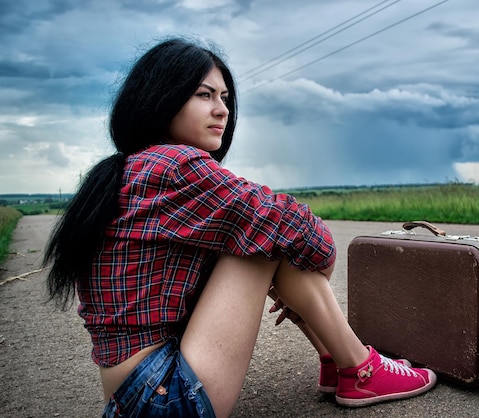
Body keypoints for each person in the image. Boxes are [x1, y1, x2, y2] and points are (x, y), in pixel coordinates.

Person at [44, 37, 436, 418]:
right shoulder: (174, 166)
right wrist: (309, 277)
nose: (222, 110)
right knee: (267, 242)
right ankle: (360, 367)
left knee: (255, 237)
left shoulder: (131, 167)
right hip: (164, 398)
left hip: (134, 396)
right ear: (160, 98)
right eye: (204, 95)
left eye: (225, 98)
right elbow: (298, 231)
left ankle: (339, 361)